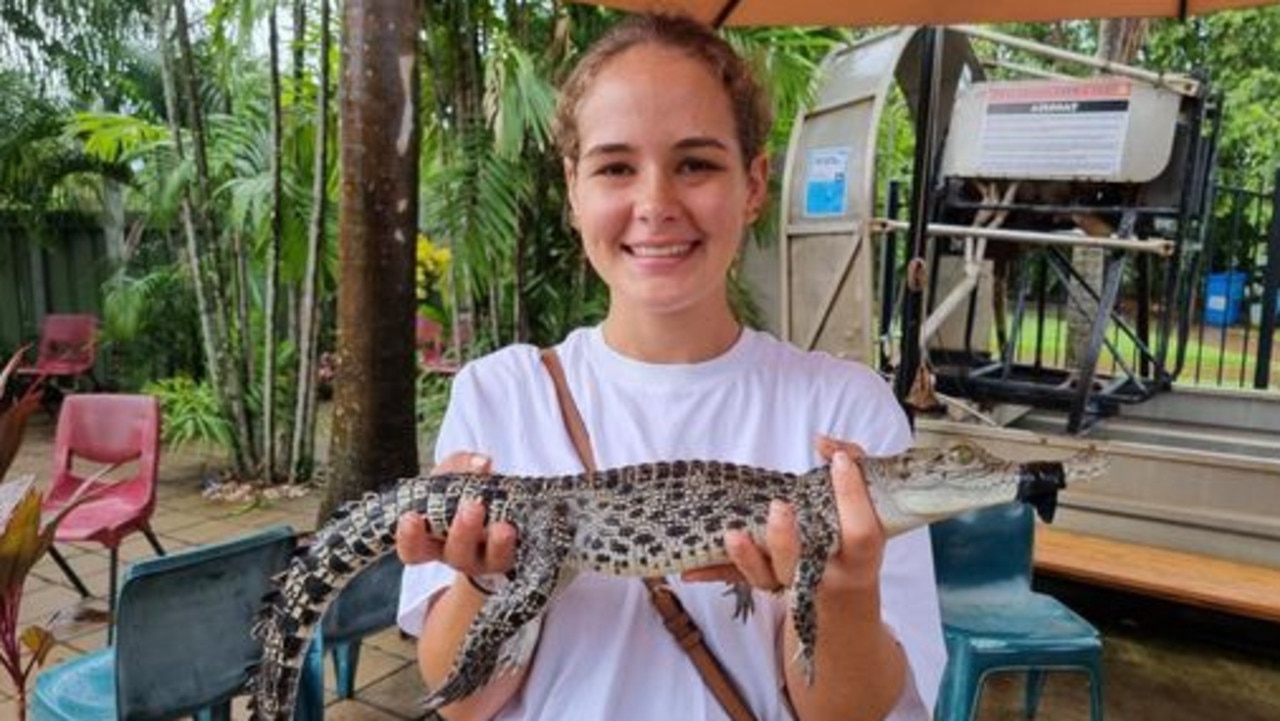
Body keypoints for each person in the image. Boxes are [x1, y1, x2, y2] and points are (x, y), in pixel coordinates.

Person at [395, 12, 944, 721]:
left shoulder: (847, 410)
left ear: (753, 183)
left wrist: (839, 589)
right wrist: (484, 580)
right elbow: (463, 705)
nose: (655, 204)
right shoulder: (499, 393)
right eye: (617, 166)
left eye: (695, 163)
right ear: (573, 188)